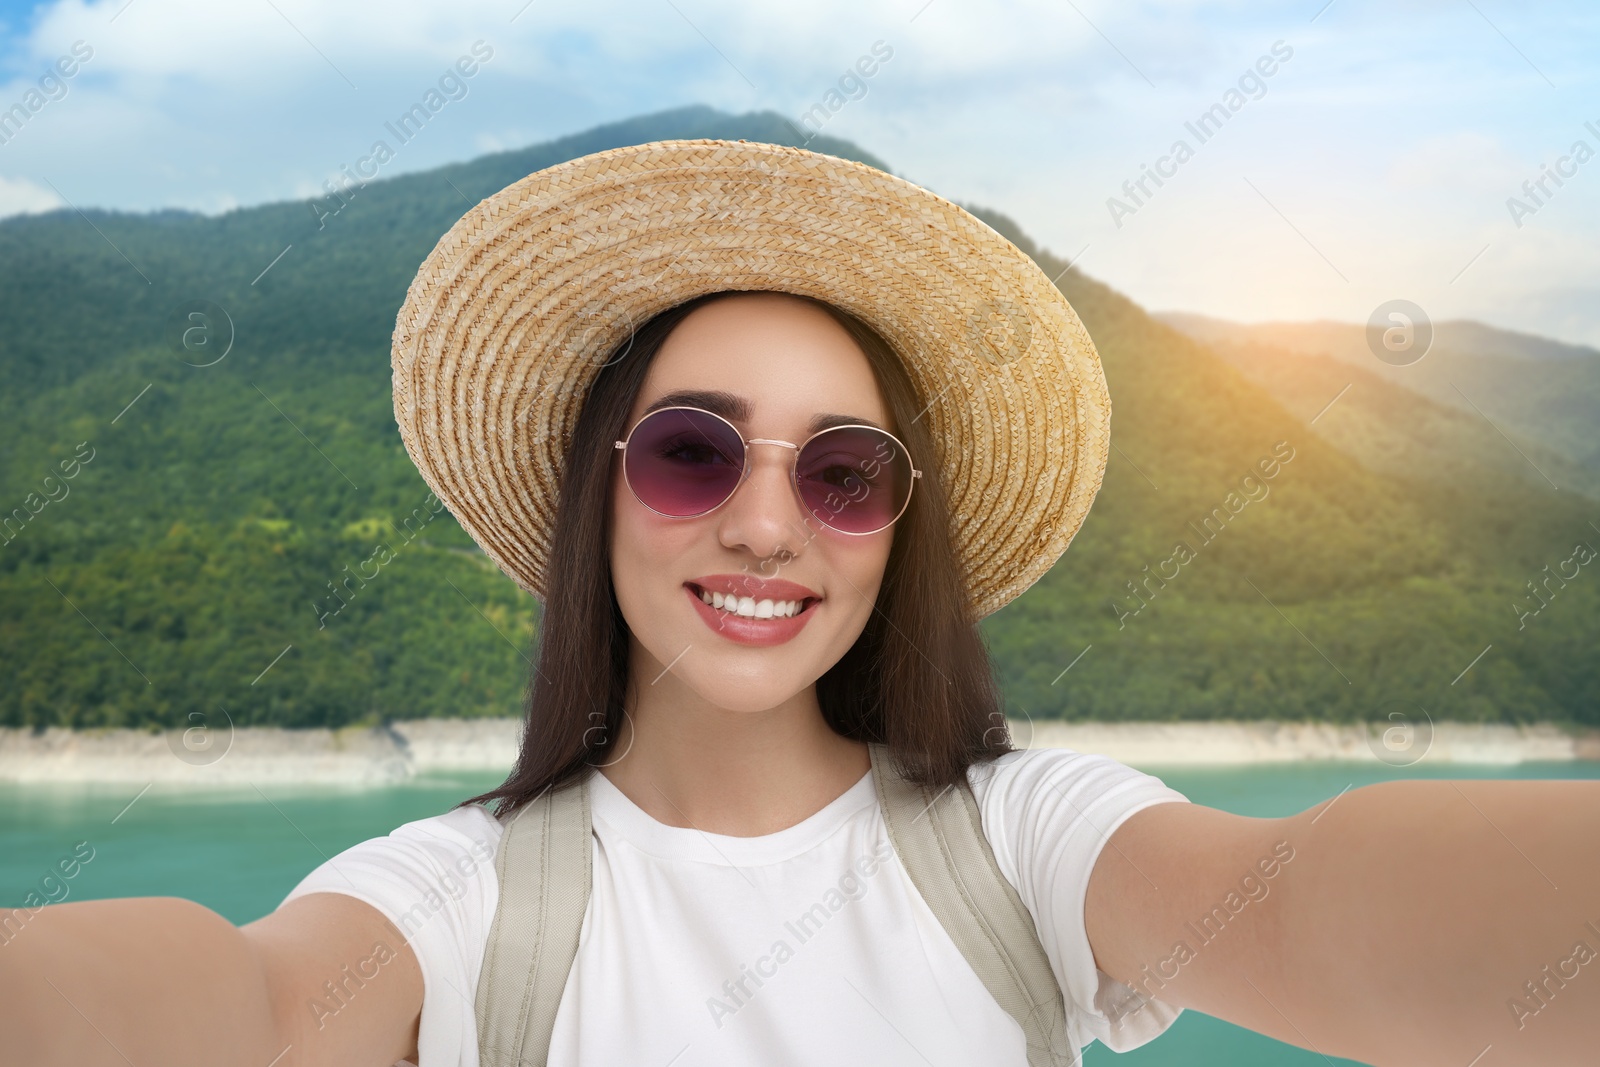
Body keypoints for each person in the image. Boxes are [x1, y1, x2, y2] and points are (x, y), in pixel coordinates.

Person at [3, 141, 1596, 1067]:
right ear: (599, 493)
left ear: (897, 530)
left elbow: (1300, 899)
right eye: (694, 452)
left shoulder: (1025, 840)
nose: (768, 524)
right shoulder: (462, 894)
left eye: (844, 473)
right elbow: (256, 1005)